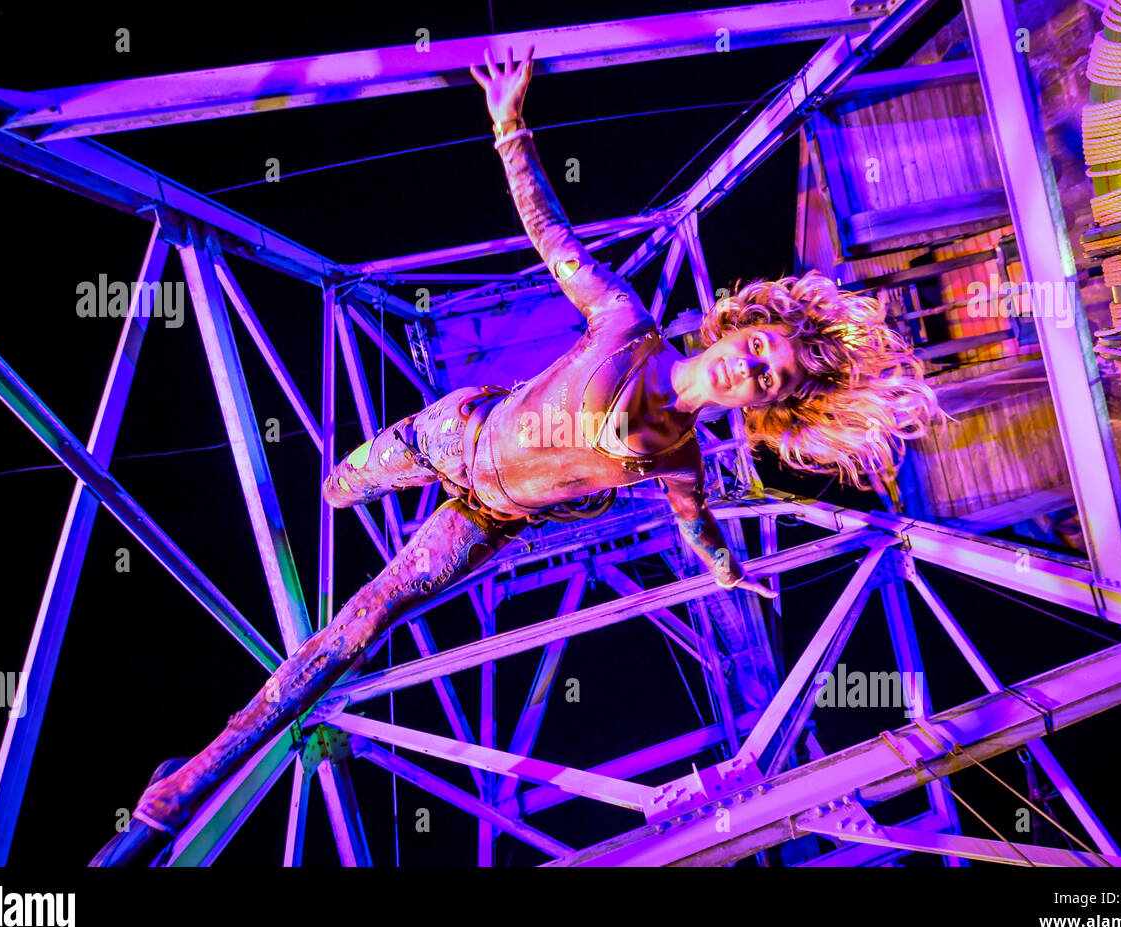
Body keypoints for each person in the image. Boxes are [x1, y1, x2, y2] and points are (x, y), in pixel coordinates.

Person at [90, 46, 936, 866]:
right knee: (338, 489)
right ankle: (345, 490)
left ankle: (191, 775)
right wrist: (509, 127)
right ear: (740, 327)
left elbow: (698, 527)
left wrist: (721, 570)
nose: (748, 368)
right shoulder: (625, 323)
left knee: (365, 622)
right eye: (758, 350)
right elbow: (549, 231)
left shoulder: (684, 459)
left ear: (763, 406)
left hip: (486, 517)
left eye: (767, 380)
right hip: (451, 435)